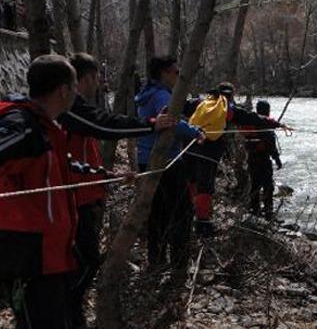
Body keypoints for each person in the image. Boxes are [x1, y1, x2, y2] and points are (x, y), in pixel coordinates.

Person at [62, 53, 176, 328]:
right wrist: (149, 125)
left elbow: (70, 159)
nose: (100, 83)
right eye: (97, 77)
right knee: (84, 264)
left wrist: (108, 175)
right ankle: (65, 312)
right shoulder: (68, 108)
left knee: (82, 263)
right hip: (72, 201)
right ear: (85, 78)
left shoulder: (70, 109)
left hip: (84, 194)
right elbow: (105, 124)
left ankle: (70, 314)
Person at [0, 55, 82, 328]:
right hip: (31, 257)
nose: (77, 92)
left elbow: (53, 173)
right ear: (63, 90)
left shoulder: (44, 126)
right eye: (74, 86)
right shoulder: (23, 125)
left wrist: (108, 176)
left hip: (50, 255)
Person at [184, 83, 286, 235]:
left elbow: (181, 107)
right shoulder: (228, 109)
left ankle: (186, 216)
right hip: (209, 154)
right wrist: (276, 123)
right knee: (205, 188)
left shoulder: (201, 103)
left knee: (191, 182)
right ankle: (202, 224)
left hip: (189, 149)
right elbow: (252, 118)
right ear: (231, 95)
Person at [135, 56, 203, 270]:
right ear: (163, 73)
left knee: (158, 212)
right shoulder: (161, 95)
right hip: (168, 163)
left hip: (147, 162)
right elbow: (173, 122)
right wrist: (196, 132)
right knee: (181, 213)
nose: (178, 75)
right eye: (175, 72)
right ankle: (179, 263)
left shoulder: (147, 93)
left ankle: (156, 261)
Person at [245, 100, 284, 220]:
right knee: (268, 186)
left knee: (255, 184)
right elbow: (271, 145)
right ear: (267, 110)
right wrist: (277, 159)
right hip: (263, 159)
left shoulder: (250, 121)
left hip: (251, 158)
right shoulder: (266, 124)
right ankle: (268, 212)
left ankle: (254, 210)